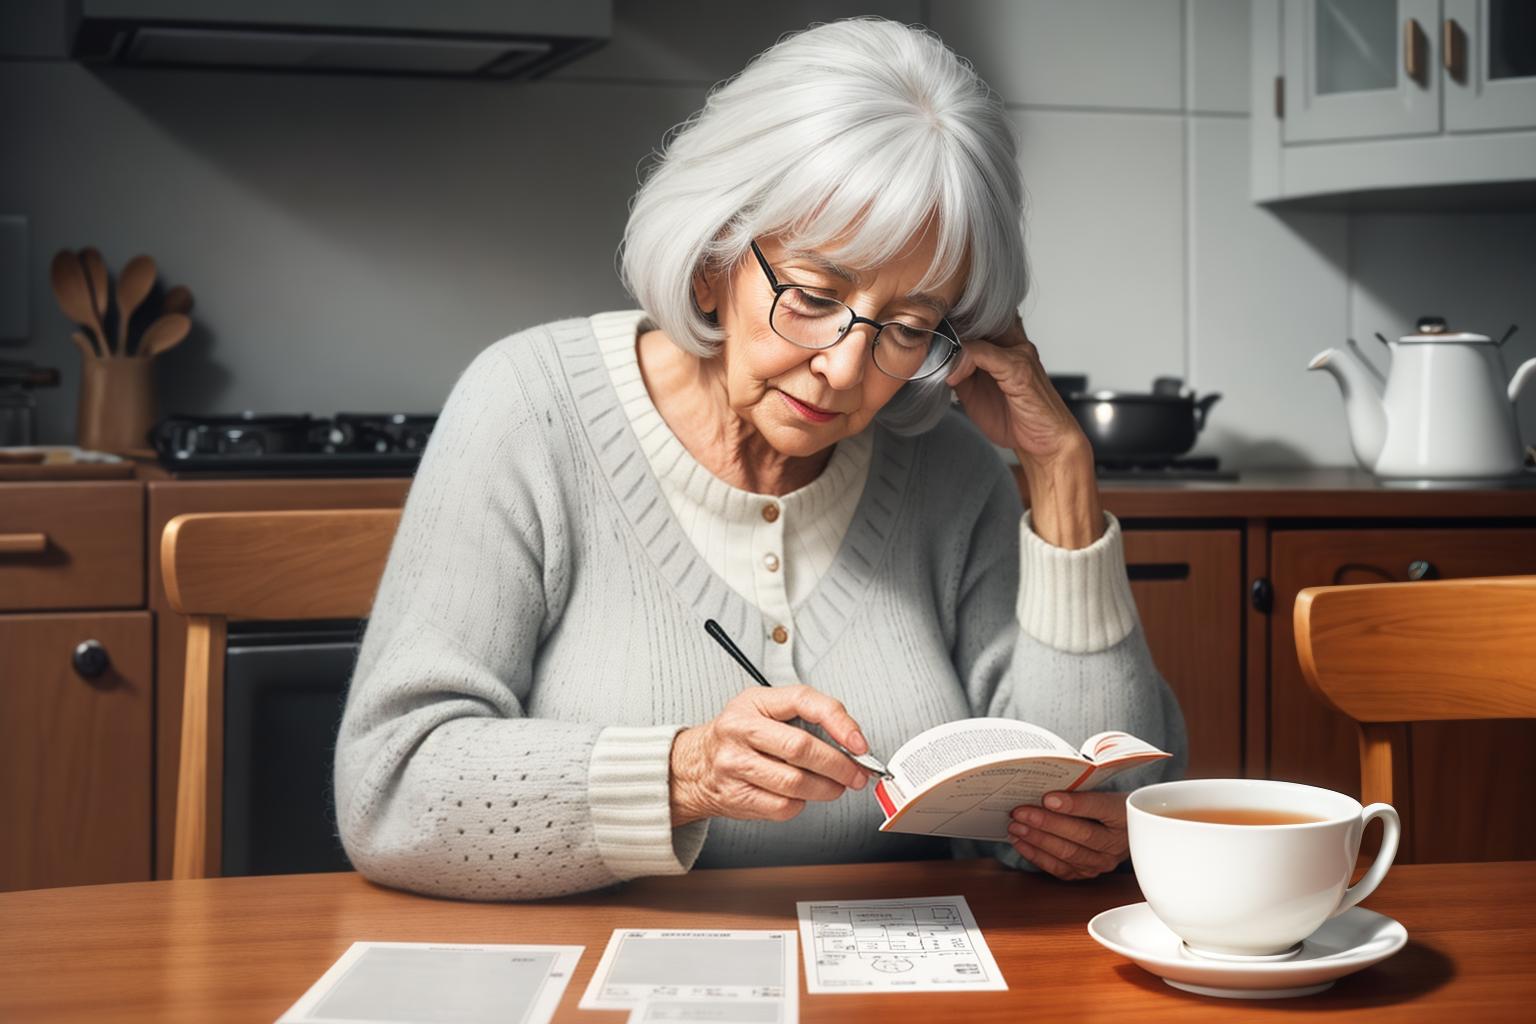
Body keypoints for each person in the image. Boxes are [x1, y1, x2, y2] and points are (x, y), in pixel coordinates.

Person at [334, 17, 1186, 901]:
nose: (848, 368)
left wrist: (1060, 476)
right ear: (714, 260)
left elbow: (1097, 794)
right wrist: (683, 773)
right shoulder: (531, 405)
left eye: (906, 327)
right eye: (815, 297)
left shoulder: (946, 465)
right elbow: (390, 791)